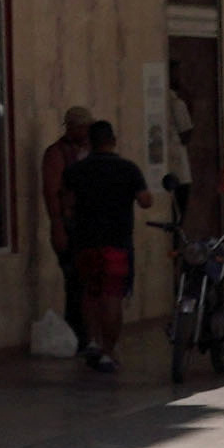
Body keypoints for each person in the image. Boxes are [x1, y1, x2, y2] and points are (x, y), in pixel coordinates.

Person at [53, 112, 141, 376]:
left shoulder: (76, 171)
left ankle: (91, 341)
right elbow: (146, 199)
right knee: (112, 296)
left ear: (89, 142)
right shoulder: (128, 169)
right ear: (112, 140)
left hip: (85, 241)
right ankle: (108, 351)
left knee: (89, 293)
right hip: (117, 242)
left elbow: (66, 204)